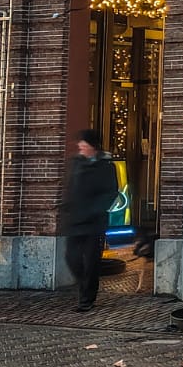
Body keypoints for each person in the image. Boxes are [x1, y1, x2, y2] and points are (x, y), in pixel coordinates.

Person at [58, 129, 118, 312]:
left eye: (84, 144)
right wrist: (66, 206)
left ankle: (86, 299)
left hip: (94, 222)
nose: (80, 146)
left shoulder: (106, 166)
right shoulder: (75, 163)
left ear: (92, 146)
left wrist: (95, 210)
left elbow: (111, 193)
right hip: (75, 220)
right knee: (72, 258)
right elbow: (69, 186)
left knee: (92, 262)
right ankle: (84, 284)